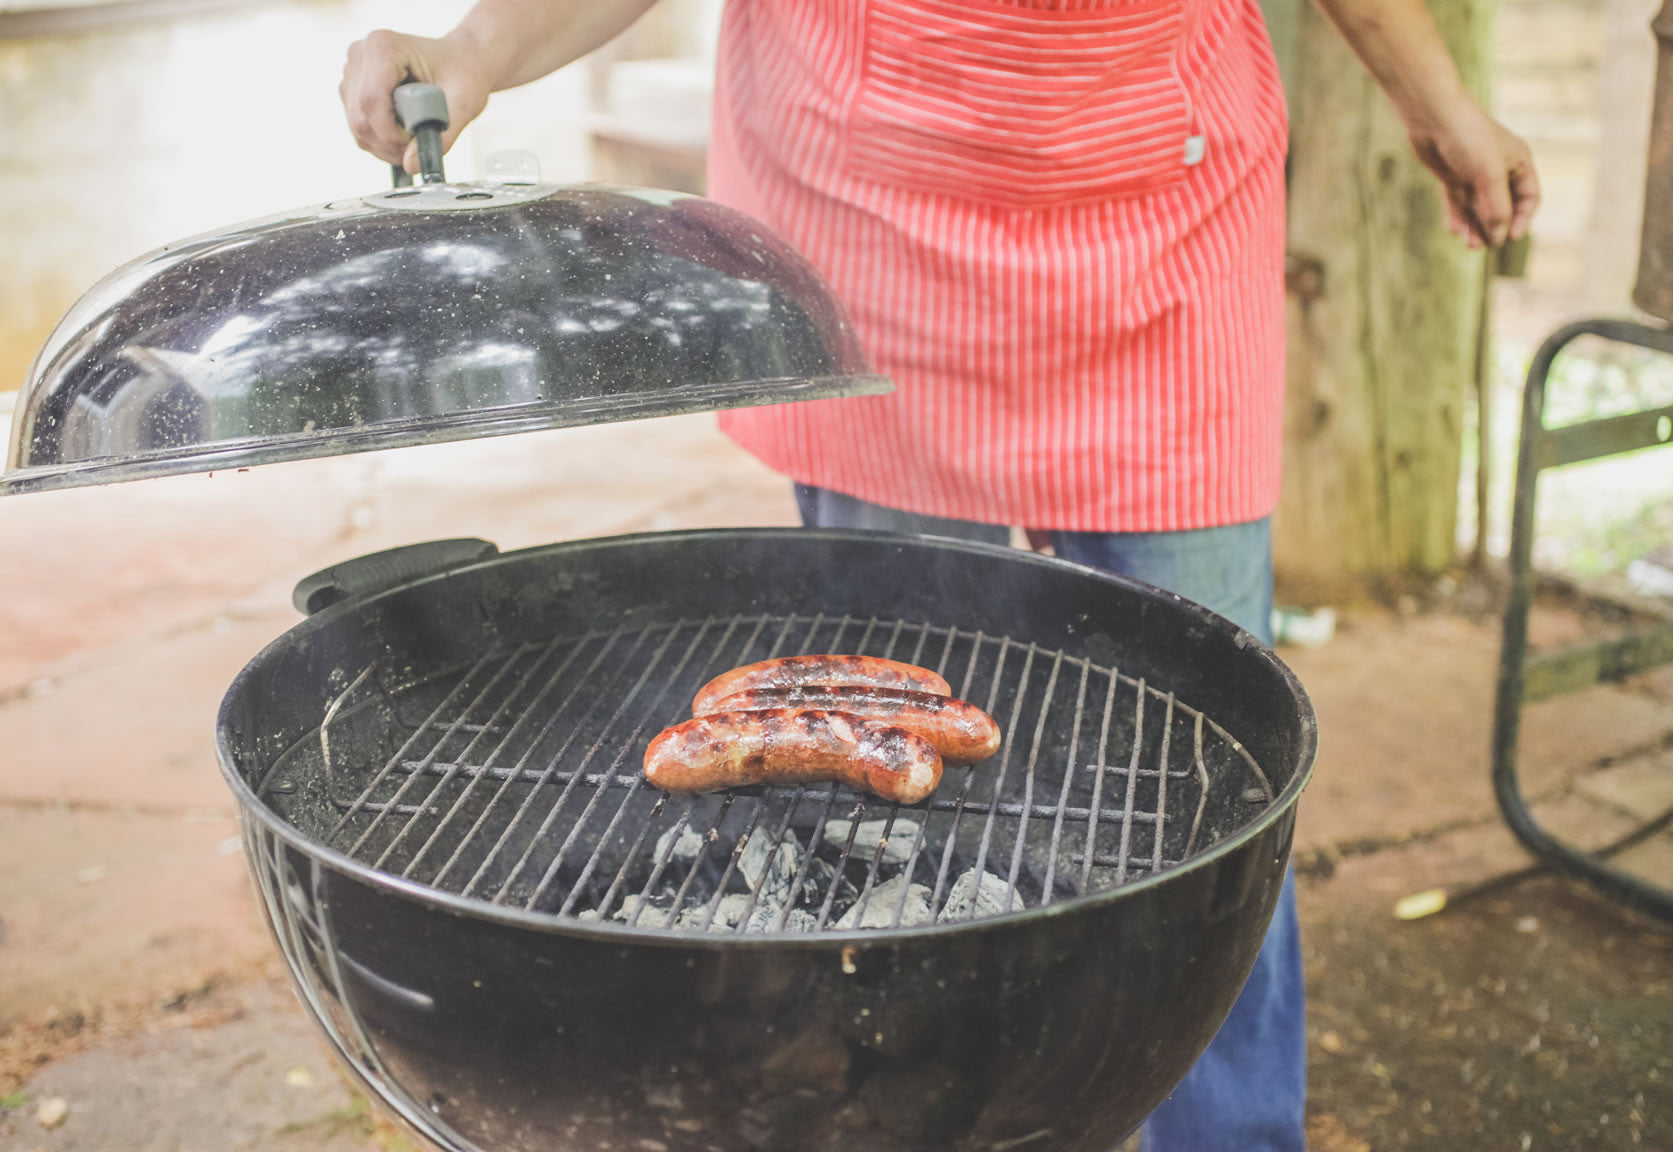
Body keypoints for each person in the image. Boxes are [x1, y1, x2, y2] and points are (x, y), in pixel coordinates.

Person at [341, 3, 1538, 1148]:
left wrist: (1442, 108)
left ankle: (1235, 1141)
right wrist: (471, 47)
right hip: (878, 240)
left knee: (1216, 783)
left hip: (1165, 224)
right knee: (874, 829)